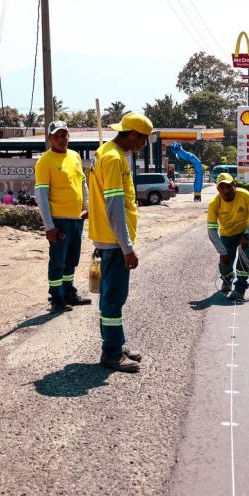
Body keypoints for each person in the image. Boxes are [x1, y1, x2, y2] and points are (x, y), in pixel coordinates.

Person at [88, 112, 154, 373]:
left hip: (107, 237)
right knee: (114, 298)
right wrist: (128, 247)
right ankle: (112, 353)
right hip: (115, 242)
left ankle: (117, 342)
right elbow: (114, 206)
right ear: (134, 134)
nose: (143, 146)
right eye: (144, 140)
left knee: (109, 296)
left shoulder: (104, 151)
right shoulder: (114, 158)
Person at [34, 120, 92, 313]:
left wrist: (86, 206)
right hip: (59, 221)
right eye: (57, 136)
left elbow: (83, 184)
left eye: (64, 135)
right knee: (58, 261)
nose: (61, 139)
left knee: (71, 260)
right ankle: (56, 299)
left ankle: (69, 293)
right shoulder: (45, 161)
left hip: (77, 219)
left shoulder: (75, 156)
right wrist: (49, 226)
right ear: (50, 138)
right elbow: (41, 195)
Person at [207, 173, 249, 302]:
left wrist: (248, 235)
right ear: (218, 189)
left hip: (245, 232)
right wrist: (222, 250)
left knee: (244, 258)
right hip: (227, 235)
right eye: (222, 187)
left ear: (234, 185)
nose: (226, 191)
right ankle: (227, 280)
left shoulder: (244, 195)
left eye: (228, 186)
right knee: (225, 262)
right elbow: (211, 230)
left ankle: (240, 289)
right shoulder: (214, 204)